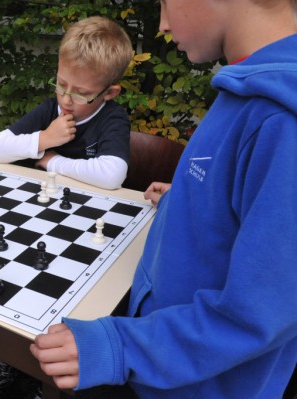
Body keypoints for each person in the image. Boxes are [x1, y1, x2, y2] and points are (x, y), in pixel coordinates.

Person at [30, 0, 297, 398]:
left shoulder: (282, 119)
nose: (164, 24)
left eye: (165, 2)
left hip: (192, 382)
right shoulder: (251, 90)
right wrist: (194, 196)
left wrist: (120, 346)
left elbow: (259, 315)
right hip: (168, 362)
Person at [0, 16, 133, 190]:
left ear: (109, 93)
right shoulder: (50, 109)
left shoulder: (113, 118)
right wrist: (44, 139)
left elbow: (111, 176)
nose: (66, 99)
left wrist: (52, 161)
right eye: (61, 84)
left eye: (81, 93)